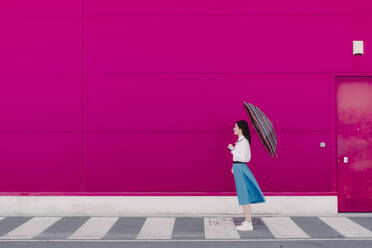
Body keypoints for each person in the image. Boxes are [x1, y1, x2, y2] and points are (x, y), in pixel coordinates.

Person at [227, 120, 266, 231]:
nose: (233, 128)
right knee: (243, 195)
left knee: (244, 196)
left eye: (235, 127)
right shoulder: (241, 141)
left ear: (241, 129)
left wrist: (232, 150)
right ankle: (247, 221)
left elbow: (244, 158)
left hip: (241, 168)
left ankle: (248, 223)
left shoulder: (243, 142)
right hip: (238, 168)